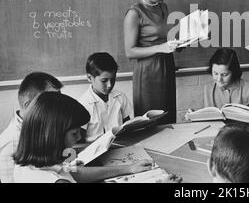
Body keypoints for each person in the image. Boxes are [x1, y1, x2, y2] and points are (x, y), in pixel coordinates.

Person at [13, 91, 153, 183]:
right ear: (53, 136)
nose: (79, 137)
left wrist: (129, 168)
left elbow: (75, 173)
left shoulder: (26, 163)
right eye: (74, 133)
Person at [124, 0, 179, 123]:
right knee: (150, 120)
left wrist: (179, 43)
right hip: (148, 71)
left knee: (168, 118)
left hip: (167, 65)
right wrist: (160, 48)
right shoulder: (134, 13)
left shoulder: (163, 7)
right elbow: (130, 52)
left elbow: (163, 37)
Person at [0, 72, 63, 183]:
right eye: (50, 103)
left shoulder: (40, 127)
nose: (56, 109)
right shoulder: (11, 142)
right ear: (28, 105)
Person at [203, 48, 249, 126]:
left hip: (243, 134)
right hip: (218, 135)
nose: (219, 79)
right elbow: (208, 118)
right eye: (215, 73)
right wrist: (195, 115)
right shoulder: (207, 88)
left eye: (224, 75)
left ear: (234, 72)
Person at [78, 52, 132, 142]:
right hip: (93, 150)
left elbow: (128, 126)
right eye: (104, 80)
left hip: (120, 145)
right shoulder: (82, 105)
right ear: (90, 78)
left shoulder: (120, 97)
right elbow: (80, 141)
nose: (109, 85)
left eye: (113, 79)